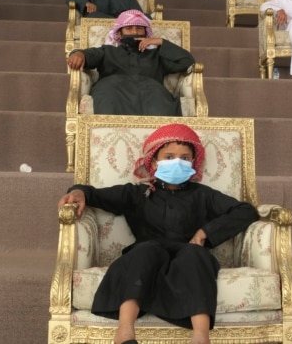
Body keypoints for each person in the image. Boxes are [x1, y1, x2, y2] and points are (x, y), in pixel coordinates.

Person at [57, 123, 259, 344]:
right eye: (169, 156)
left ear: (193, 162)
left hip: (188, 253)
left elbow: (246, 211)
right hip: (148, 253)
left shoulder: (203, 195)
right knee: (146, 251)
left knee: (196, 255)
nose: (177, 162)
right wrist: (77, 192)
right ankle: (125, 333)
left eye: (184, 157)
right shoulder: (139, 193)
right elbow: (94, 194)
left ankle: (201, 338)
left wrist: (206, 232)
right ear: (154, 161)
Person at [65, 9, 194, 115]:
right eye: (129, 28)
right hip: (113, 90)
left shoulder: (156, 56)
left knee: (160, 100)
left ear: (146, 33)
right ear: (119, 34)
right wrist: (78, 54)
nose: (134, 32)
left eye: (139, 28)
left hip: (151, 93)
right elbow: (88, 55)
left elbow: (187, 61)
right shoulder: (108, 51)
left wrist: (160, 42)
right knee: (108, 96)